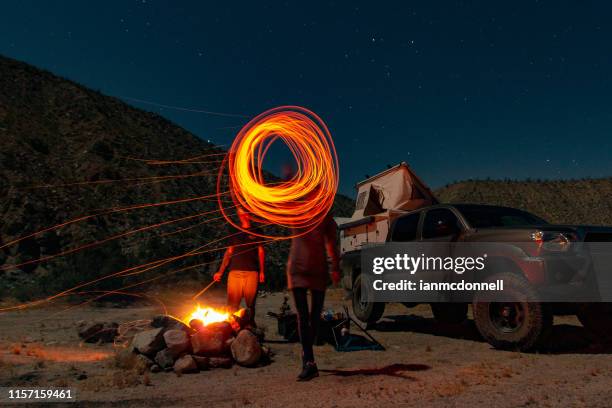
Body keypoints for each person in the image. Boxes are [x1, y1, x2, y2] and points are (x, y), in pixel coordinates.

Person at [287, 211, 340, 381]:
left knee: (315, 317)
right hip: (297, 268)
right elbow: (277, 205)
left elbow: (331, 243)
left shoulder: (326, 216)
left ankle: (307, 356)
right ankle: (309, 361)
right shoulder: (296, 208)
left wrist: (336, 267)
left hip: (318, 270)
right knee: (303, 317)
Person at [214, 208, 265, 326]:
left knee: (250, 304)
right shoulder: (234, 230)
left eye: (245, 213)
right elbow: (229, 252)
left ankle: (250, 328)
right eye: (240, 214)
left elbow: (261, 252)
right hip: (235, 272)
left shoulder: (257, 231)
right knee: (232, 304)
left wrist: (262, 271)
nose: (243, 216)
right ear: (238, 215)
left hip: (252, 272)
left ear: (249, 215)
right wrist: (220, 271)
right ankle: (231, 327)